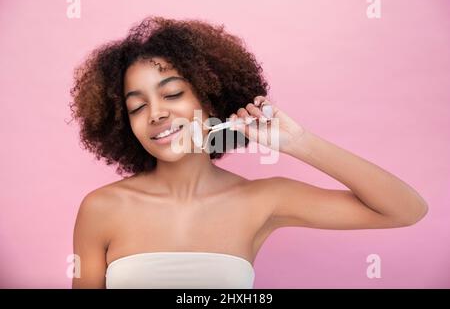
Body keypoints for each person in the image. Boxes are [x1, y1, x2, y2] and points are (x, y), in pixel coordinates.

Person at [70, 16, 428, 289]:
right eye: (137, 106)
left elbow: (406, 210)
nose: (156, 113)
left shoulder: (263, 199)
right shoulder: (102, 208)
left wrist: (299, 142)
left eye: (173, 94)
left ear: (211, 98)